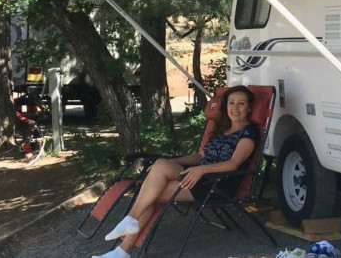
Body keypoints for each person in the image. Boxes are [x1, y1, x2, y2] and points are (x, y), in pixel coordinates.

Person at [92, 85, 259, 258]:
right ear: (226, 106)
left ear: (249, 107)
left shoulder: (248, 133)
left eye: (241, 103)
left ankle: (123, 248)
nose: (235, 108)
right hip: (198, 176)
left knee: (152, 193)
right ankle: (126, 237)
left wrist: (201, 170)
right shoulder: (222, 129)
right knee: (161, 167)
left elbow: (233, 163)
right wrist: (172, 161)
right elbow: (200, 155)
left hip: (218, 183)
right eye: (231, 103)